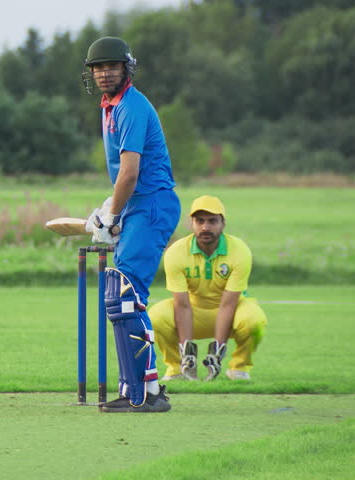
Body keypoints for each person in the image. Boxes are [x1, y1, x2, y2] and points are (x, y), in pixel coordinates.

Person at [81, 37, 181, 413]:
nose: (104, 73)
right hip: (137, 205)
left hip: (152, 203)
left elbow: (131, 172)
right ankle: (134, 390)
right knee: (117, 297)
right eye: (98, 67)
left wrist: (110, 216)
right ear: (91, 73)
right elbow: (122, 180)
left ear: (126, 68)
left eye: (112, 66)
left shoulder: (132, 107)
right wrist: (113, 210)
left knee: (126, 294)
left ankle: (151, 394)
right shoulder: (109, 107)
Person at [150, 195, 268, 382]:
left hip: (232, 311)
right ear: (192, 224)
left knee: (254, 320)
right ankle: (177, 369)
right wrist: (188, 355)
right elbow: (182, 306)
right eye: (200, 221)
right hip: (192, 311)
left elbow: (228, 305)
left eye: (212, 221)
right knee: (155, 317)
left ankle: (238, 368)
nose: (205, 227)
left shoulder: (239, 250)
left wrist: (217, 353)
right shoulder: (176, 252)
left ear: (223, 223)